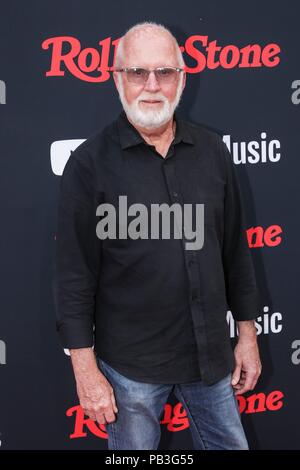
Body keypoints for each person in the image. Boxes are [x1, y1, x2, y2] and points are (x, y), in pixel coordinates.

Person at [53, 21, 262, 450]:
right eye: (137, 73)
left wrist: (247, 334)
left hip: (210, 360)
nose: (152, 86)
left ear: (182, 79)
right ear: (117, 79)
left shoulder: (213, 152)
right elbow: (73, 275)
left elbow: (235, 252)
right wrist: (85, 371)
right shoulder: (88, 164)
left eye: (165, 72)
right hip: (130, 368)